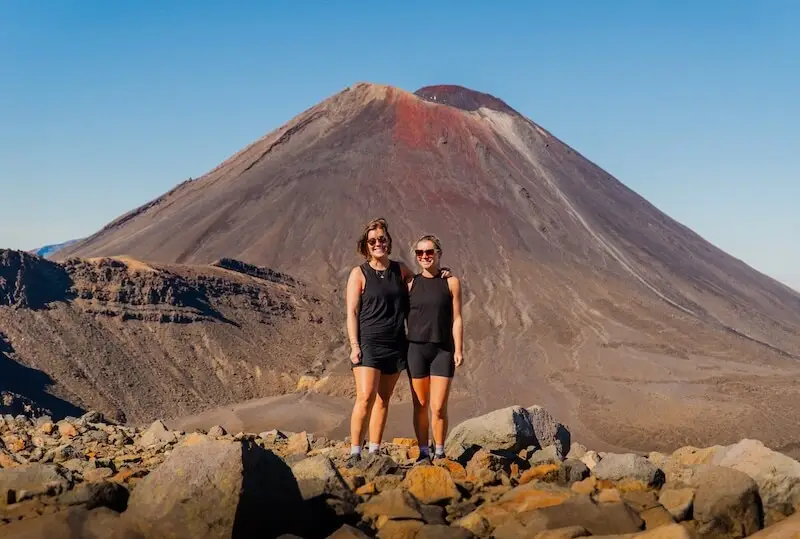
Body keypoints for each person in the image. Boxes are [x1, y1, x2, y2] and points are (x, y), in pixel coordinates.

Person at [346, 218, 450, 466]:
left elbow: (424, 282)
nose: (378, 244)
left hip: (395, 344)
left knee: (383, 399)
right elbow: (351, 311)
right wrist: (354, 345)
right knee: (365, 397)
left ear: (388, 242)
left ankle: (374, 450)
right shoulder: (359, 274)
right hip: (369, 343)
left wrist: (442, 272)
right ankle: (354, 452)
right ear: (366, 246)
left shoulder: (400, 270)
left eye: (382, 239)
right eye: (373, 241)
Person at [406, 234, 463, 462]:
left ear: (438, 253)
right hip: (416, 350)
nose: (425, 256)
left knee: (438, 407)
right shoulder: (409, 283)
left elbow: (457, 318)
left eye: (429, 252)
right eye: (420, 253)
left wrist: (458, 349)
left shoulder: (451, 282)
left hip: (443, 350)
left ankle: (439, 451)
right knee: (420, 405)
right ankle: (423, 452)